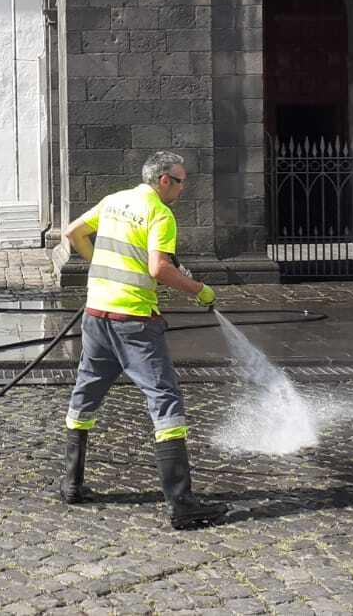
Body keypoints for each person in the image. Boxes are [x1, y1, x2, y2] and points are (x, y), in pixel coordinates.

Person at [58, 150, 227, 530]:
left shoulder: (114, 201)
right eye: (181, 181)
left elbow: (73, 233)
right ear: (164, 180)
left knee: (85, 393)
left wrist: (102, 270)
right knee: (165, 401)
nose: (184, 189)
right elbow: (159, 268)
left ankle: (72, 483)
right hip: (135, 322)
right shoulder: (160, 214)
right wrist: (200, 291)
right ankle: (181, 504)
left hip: (96, 315)